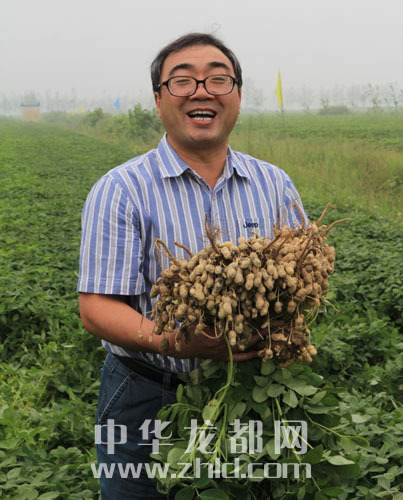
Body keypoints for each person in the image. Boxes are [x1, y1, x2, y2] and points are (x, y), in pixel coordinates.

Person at [78, 32, 306, 499]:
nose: (202, 92)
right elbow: (96, 308)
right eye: (182, 81)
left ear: (237, 95)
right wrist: (178, 342)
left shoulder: (275, 184)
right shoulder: (121, 189)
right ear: (159, 99)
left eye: (218, 80)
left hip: (254, 388)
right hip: (148, 393)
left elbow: (302, 280)